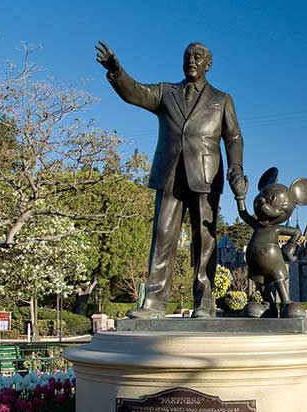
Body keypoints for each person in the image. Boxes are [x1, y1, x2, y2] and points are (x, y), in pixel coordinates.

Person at [96, 41, 247, 318]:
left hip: (206, 175)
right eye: (187, 56)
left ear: (208, 64)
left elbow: (234, 137)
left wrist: (236, 168)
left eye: (198, 57)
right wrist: (117, 71)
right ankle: (153, 303)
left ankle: (204, 303)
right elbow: (136, 93)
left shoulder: (221, 99)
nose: (191, 60)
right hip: (169, 174)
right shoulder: (166, 92)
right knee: (163, 237)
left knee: (205, 241)